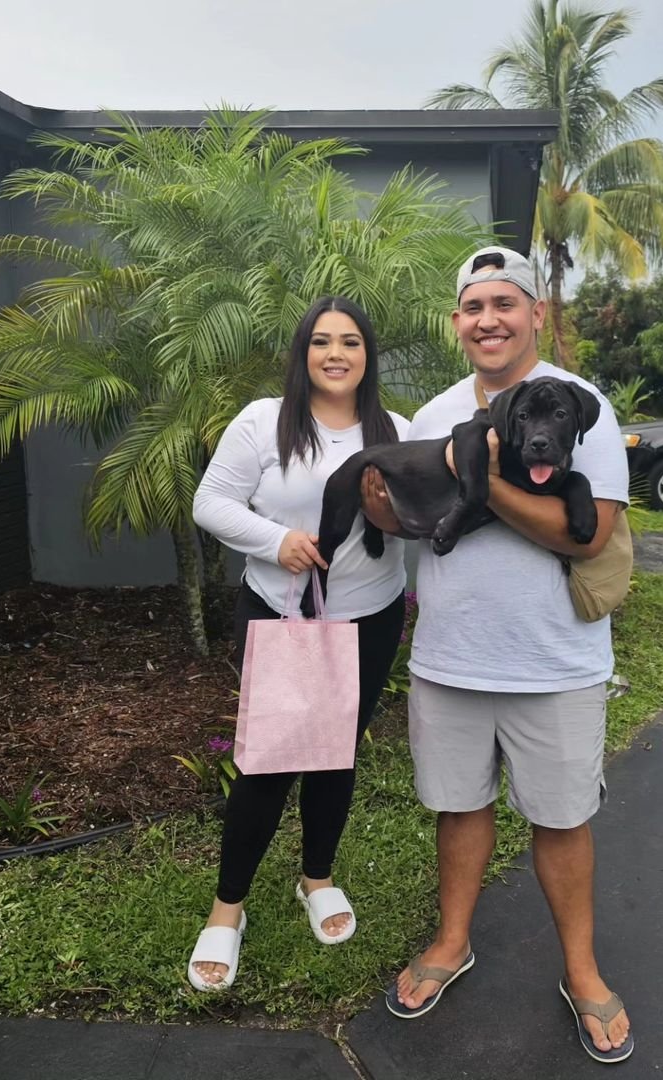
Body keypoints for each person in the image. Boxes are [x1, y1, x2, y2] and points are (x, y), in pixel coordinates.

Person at [364, 247, 634, 1063]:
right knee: (459, 807)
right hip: (450, 658)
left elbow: (591, 533)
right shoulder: (433, 414)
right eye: (474, 306)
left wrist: (479, 475)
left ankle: (582, 973)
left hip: (555, 661)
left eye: (505, 304)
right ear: (458, 322)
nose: (489, 319)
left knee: (561, 818)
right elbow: (404, 519)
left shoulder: (581, 406)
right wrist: (380, 500)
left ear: (535, 314)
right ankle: (452, 942)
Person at [186, 295, 408, 991]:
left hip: (369, 618)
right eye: (320, 341)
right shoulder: (264, 421)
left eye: (350, 341)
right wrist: (273, 540)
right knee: (268, 764)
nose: (335, 353)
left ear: (368, 355)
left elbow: (417, 517)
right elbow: (210, 501)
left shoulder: (396, 430)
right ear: (302, 353)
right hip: (283, 616)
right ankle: (229, 909)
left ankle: (317, 878)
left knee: (336, 756)